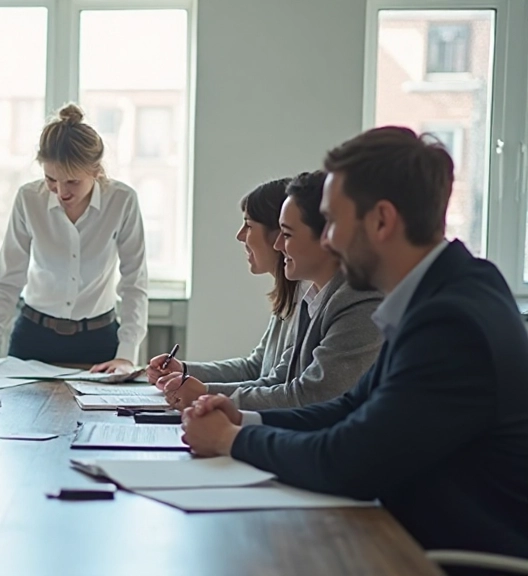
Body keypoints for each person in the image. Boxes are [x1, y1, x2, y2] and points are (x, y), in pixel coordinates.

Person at [182, 126, 528, 562]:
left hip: (449, 559)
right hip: (408, 539)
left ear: (382, 221)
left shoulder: (452, 323)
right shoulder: (446, 291)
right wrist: (246, 419)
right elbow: (349, 410)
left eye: (334, 222)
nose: (326, 240)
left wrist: (231, 440)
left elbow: (347, 461)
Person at [156, 171, 383, 411]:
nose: (278, 245)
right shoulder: (313, 297)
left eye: (286, 234)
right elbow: (271, 375)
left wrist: (206, 395)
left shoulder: (358, 301)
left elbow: (310, 394)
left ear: (327, 238)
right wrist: (192, 379)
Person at [0, 103, 148, 379]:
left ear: (95, 171)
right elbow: (7, 280)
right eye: (51, 179)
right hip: (34, 337)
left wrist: (126, 356)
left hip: (99, 341)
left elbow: (134, 284)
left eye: (72, 182)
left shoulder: (122, 200)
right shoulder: (28, 199)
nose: (60, 192)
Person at [146, 178, 299, 391]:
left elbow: (279, 386)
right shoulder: (289, 297)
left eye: (249, 225)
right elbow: (255, 368)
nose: (239, 235)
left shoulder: (305, 301)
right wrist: (183, 370)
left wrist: (203, 392)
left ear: (278, 233)